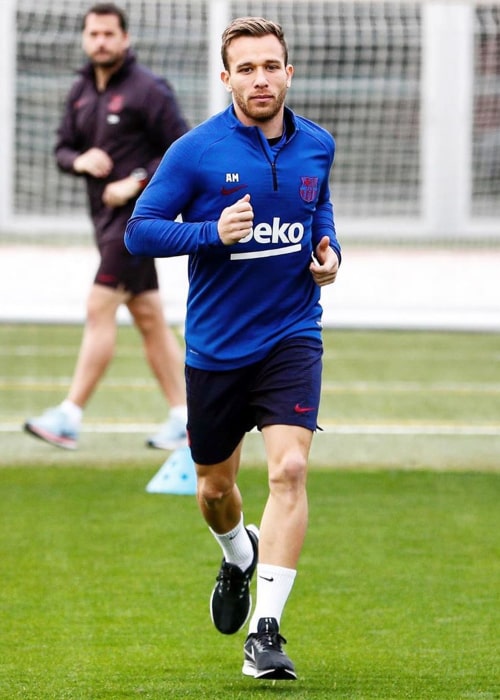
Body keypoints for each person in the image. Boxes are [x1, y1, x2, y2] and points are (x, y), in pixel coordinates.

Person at [125, 16, 341, 680]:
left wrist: (331, 252)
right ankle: (235, 553)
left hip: (292, 334)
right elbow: (141, 233)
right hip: (217, 349)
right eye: (245, 68)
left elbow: (318, 208)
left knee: (289, 472)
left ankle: (265, 633)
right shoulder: (195, 151)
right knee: (217, 488)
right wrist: (211, 232)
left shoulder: (318, 144)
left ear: (288, 72)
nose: (260, 78)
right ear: (226, 78)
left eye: (270, 65)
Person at [24, 2, 190, 451]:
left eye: (108, 34)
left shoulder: (149, 89)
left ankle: (68, 416)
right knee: (150, 318)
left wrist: (135, 182)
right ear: (85, 39)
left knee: (100, 307)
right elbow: (62, 148)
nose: (100, 41)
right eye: (93, 34)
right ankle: (186, 418)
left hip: (138, 224)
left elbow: (182, 149)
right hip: (103, 222)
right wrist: (80, 160)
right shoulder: (80, 88)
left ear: (125, 38)